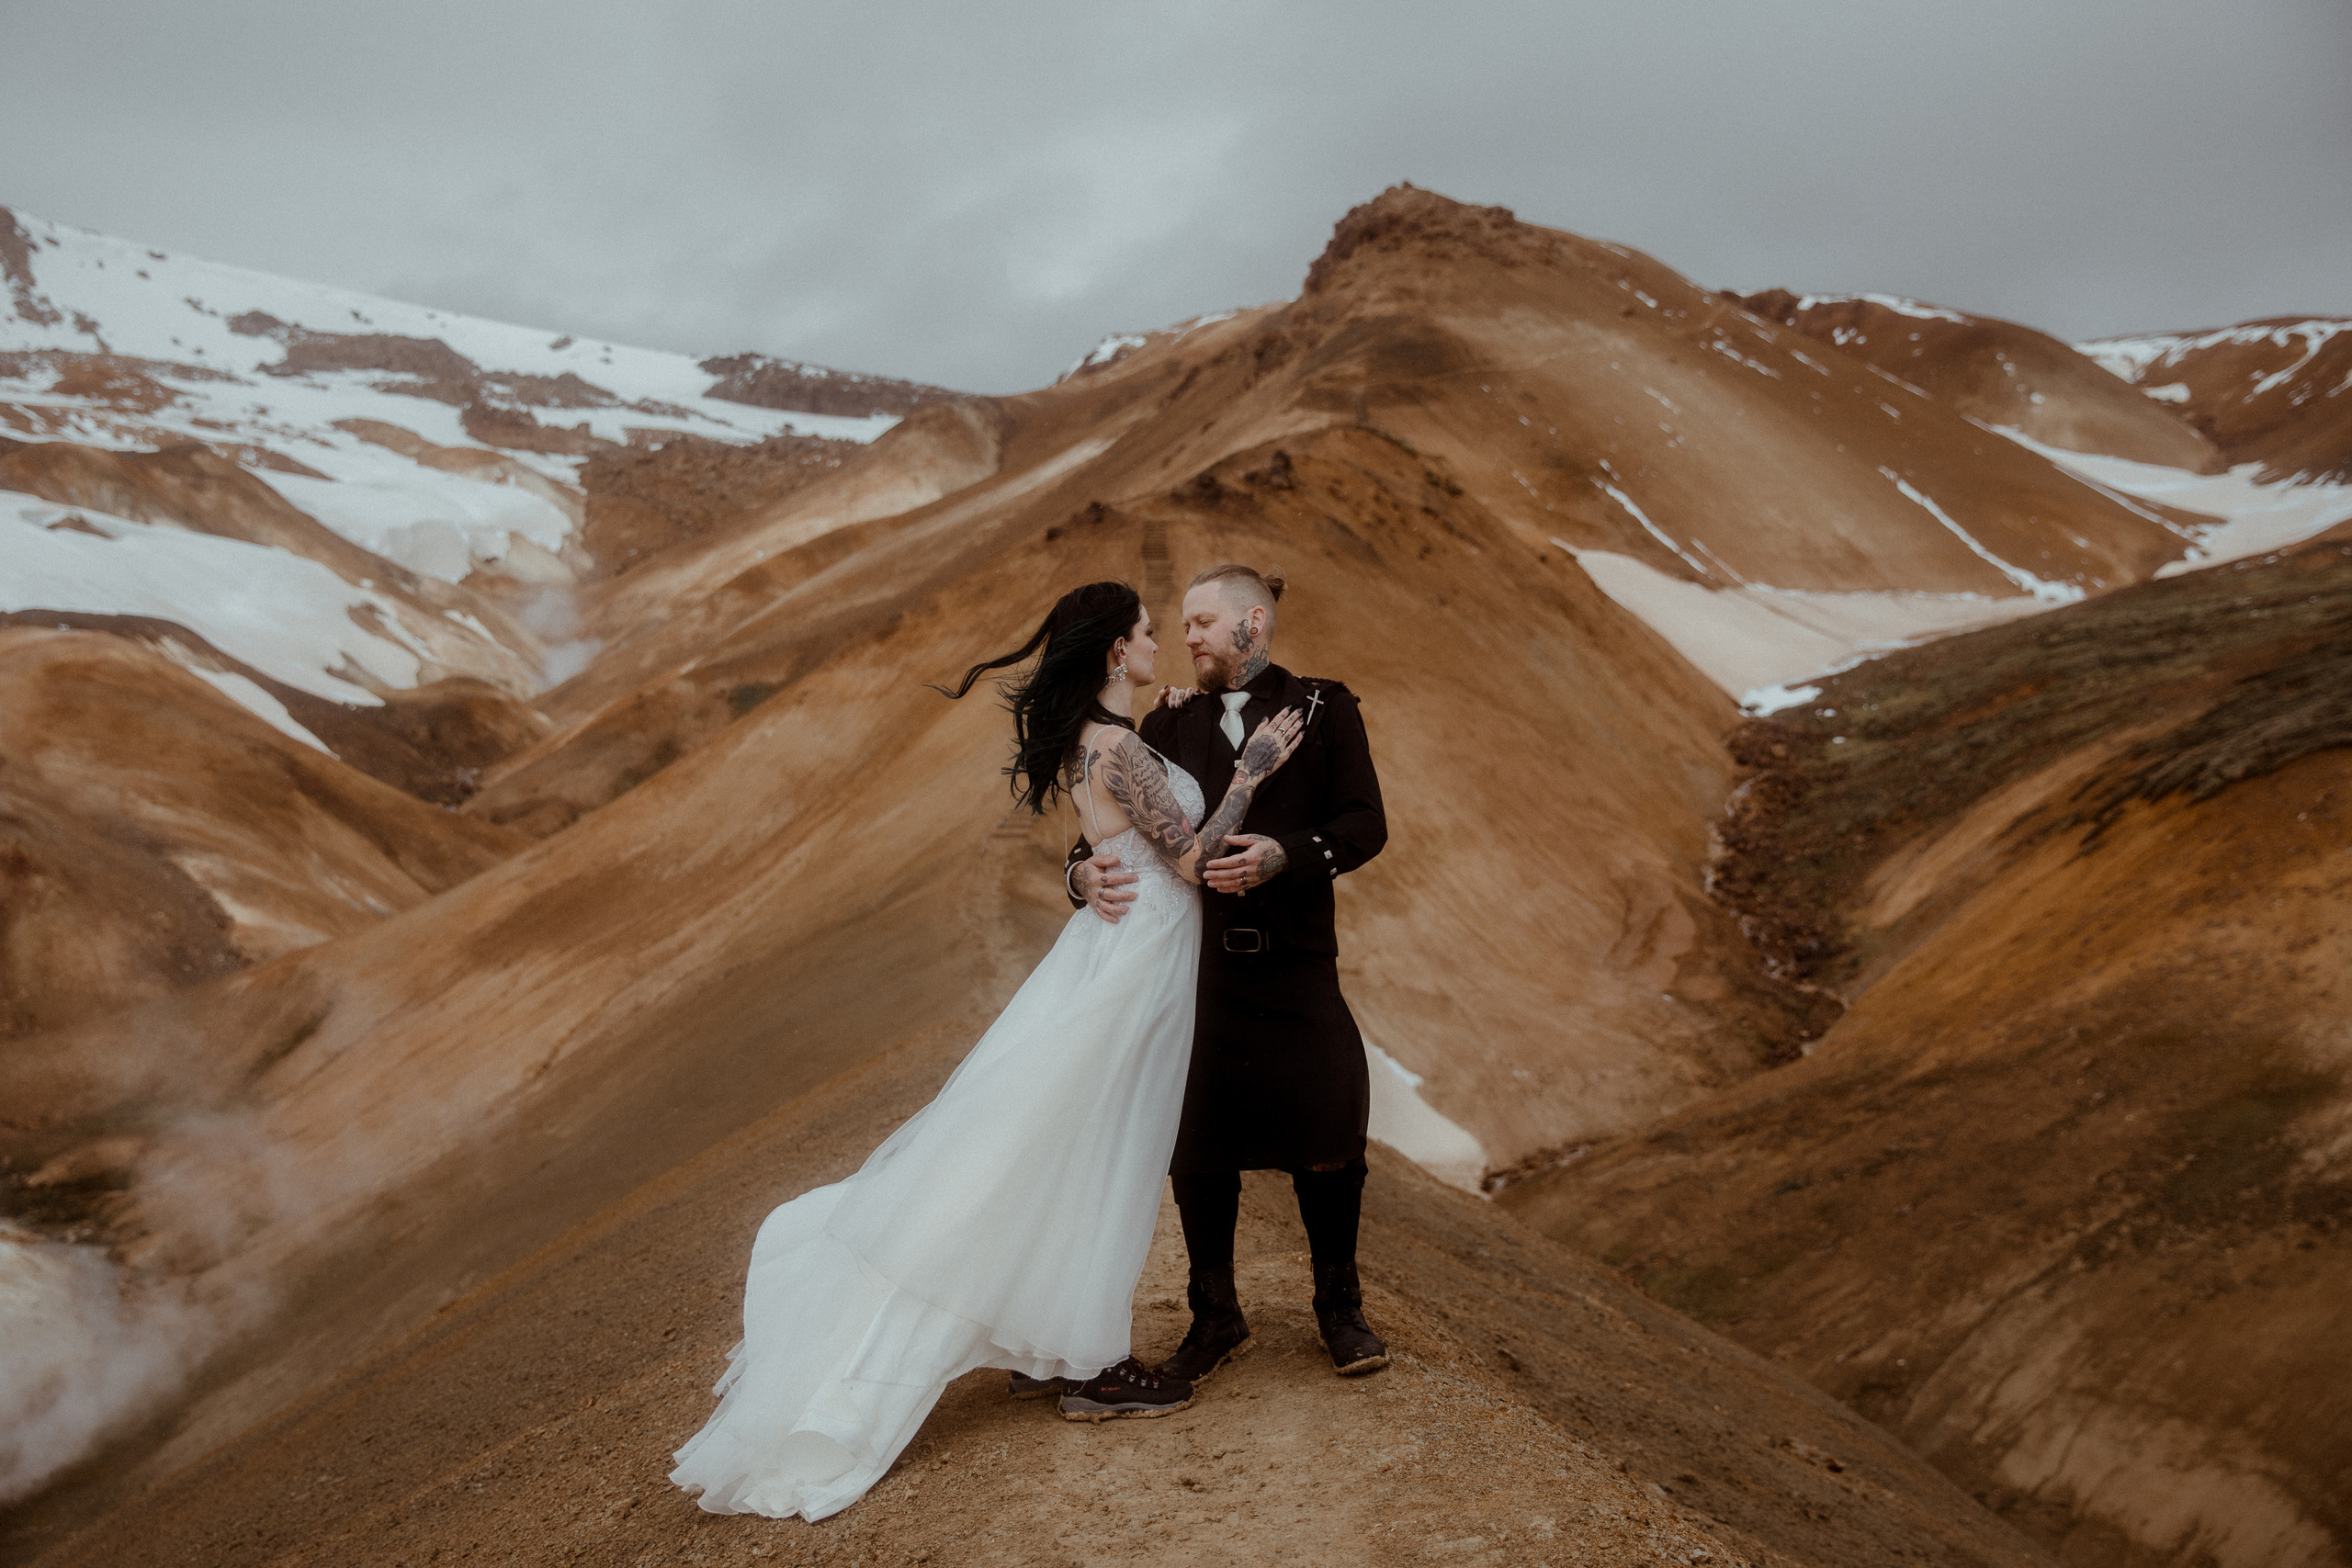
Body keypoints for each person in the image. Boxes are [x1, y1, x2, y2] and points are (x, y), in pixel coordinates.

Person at [669, 580, 1303, 1521]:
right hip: (1137, 966)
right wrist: (1250, 771)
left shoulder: (1107, 740)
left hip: (1118, 951)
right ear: (1111, 654)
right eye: (1140, 635)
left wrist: (1092, 865)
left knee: (1067, 1145)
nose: (1155, 644)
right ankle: (1076, 1347)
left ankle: (1063, 1335)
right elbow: (1188, 860)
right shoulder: (1120, 748)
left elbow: (1119, 847)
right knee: (1098, 1149)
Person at [1067, 564, 1391, 1385]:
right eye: (1179, 625)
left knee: (1329, 1128)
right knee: (1196, 1143)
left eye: (1204, 621)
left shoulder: (1324, 708)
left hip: (1296, 965)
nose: (1188, 636)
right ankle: (1215, 1315)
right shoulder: (1168, 724)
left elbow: (1366, 823)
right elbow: (1117, 832)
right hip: (1195, 975)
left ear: (1254, 622)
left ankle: (1338, 1308)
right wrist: (1078, 876)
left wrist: (1289, 854)